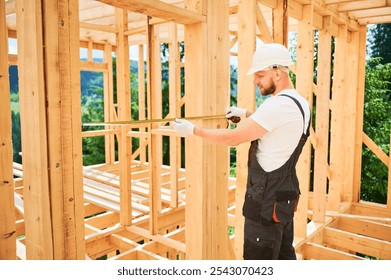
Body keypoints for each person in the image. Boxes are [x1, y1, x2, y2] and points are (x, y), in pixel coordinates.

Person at [172, 43, 311, 260]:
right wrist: (246, 114)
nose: (256, 80)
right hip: (283, 198)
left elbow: (234, 138)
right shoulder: (299, 102)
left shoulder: (276, 106)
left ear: (277, 73)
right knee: (284, 257)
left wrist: (193, 130)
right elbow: (275, 125)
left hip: (265, 204)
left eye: (260, 75)